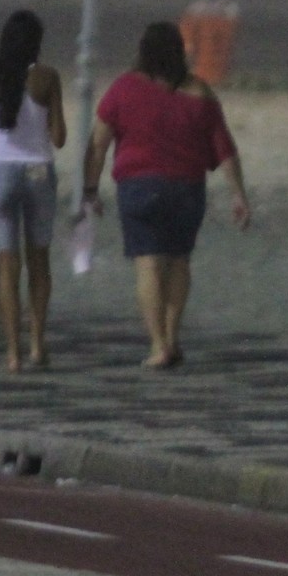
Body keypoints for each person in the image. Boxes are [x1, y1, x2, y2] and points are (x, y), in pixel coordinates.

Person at [82, 21, 251, 369]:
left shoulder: (124, 88)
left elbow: (98, 145)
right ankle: (173, 338)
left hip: (139, 187)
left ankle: (158, 344)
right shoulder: (200, 93)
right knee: (178, 261)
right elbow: (225, 151)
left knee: (148, 263)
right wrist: (239, 197)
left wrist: (90, 189)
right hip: (187, 188)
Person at [0, 10, 66, 373]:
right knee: (39, 261)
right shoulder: (47, 77)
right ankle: (37, 345)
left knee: (5, 265)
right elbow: (59, 137)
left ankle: (12, 354)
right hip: (36, 171)